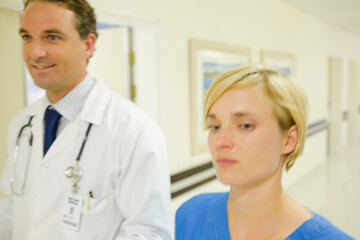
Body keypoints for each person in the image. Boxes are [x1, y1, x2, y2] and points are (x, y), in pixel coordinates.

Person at [0, 0, 171, 239]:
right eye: (27, 37)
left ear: (88, 45)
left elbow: (149, 233)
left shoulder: (134, 130)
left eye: (52, 37)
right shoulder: (22, 124)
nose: (35, 52)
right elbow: (14, 205)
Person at [175, 64, 355, 239]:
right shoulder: (191, 216)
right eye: (214, 126)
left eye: (245, 125)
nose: (221, 141)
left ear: (289, 140)